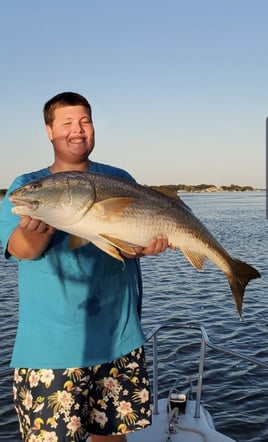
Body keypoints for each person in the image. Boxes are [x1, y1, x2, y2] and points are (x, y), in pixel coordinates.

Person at [0, 92, 170, 442]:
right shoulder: (25, 186)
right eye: (66, 123)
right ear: (49, 131)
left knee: (113, 438)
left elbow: (127, 242)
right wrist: (39, 228)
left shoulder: (118, 177)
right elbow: (22, 249)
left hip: (119, 340)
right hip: (50, 349)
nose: (77, 131)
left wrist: (142, 246)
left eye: (84, 122)